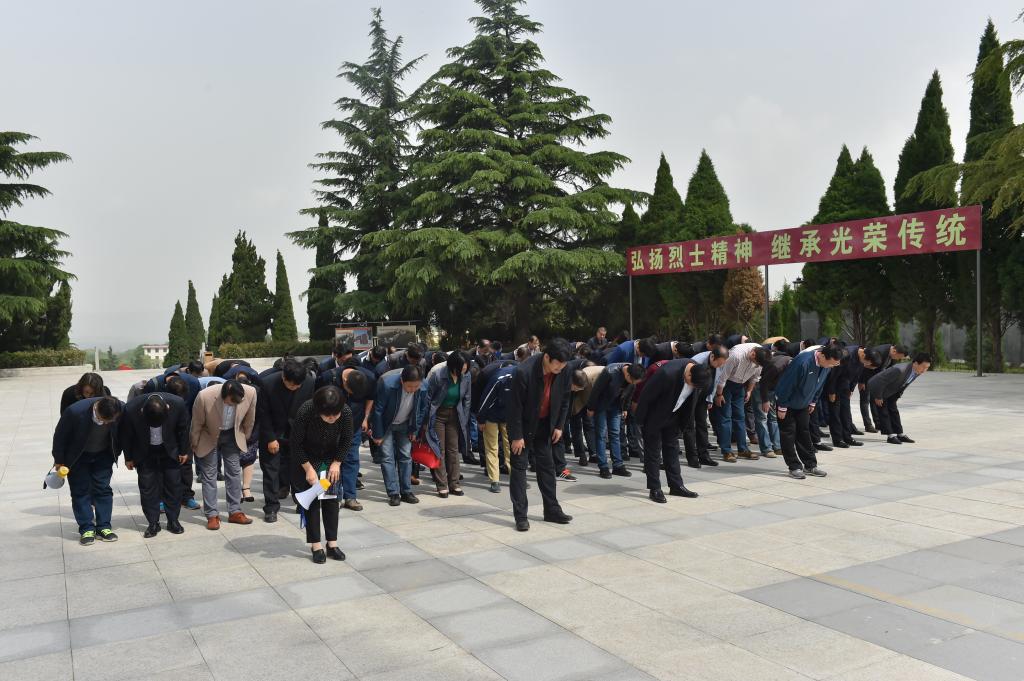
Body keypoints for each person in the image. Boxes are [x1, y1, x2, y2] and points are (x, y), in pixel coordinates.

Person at [507, 338, 575, 532]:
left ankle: (552, 510)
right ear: (546, 357)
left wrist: (559, 426)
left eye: (564, 364)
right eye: (557, 364)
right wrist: (517, 436)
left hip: (546, 425)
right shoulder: (524, 372)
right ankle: (521, 516)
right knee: (519, 470)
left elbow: (565, 399)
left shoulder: (565, 369)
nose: (561, 368)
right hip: (524, 426)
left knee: (547, 467)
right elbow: (514, 407)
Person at [291, 386, 353, 563]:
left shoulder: (345, 412)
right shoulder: (306, 410)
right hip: (307, 458)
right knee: (312, 502)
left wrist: (337, 462)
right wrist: (308, 469)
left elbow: (347, 439)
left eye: (335, 414)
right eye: (328, 415)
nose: (332, 418)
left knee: (331, 501)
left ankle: (332, 544)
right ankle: (316, 545)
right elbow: (296, 443)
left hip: (330, 460)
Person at [52, 396, 124, 545]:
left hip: (103, 455)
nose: (106, 424)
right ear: (96, 409)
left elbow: (125, 432)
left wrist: (118, 453)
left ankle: (104, 527)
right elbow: (59, 436)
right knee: (80, 491)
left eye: (109, 421)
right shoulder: (74, 412)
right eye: (103, 420)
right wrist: (59, 460)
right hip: (78, 457)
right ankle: (86, 528)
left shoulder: (120, 408)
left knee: (103, 489)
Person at [635, 359, 709, 503]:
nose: (692, 387)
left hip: (674, 415)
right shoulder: (666, 373)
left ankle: (676, 485)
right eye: (692, 384)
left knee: (672, 450)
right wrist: (640, 421)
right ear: (688, 375)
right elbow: (646, 396)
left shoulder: (700, 373)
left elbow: (691, 400)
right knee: (653, 453)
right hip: (654, 417)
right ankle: (655, 488)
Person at [120, 393, 190, 537]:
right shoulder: (131, 408)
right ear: (142, 411)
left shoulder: (177, 403)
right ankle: (153, 523)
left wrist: (184, 451)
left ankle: (173, 520)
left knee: (174, 486)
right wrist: (128, 458)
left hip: (170, 451)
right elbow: (126, 434)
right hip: (144, 452)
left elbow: (183, 429)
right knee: (147, 488)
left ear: (168, 408)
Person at [190, 380, 257, 529]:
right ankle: (212, 515)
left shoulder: (251, 392)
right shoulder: (204, 396)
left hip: (232, 435)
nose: (232, 405)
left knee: (234, 472)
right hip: (209, 435)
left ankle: (235, 511)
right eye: (230, 402)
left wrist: (245, 436)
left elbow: (250, 417)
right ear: (223, 395)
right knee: (209, 474)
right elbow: (197, 422)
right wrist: (194, 443)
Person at [774, 344, 843, 479]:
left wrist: (813, 401)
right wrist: (782, 406)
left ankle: (810, 465)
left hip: (804, 404)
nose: (831, 366)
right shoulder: (803, 362)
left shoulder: (826, 365)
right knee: (788, 435)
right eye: (831, 363)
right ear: (822, 355)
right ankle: (794, 467)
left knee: (804, 433)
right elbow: (787, 384)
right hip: (788, 404)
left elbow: (820, 384)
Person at [258, 359, 315, 522]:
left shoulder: (309, 382)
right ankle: (271, 507)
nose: (295, 388)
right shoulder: (267, 383)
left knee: (299, 469)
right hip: (274, 432)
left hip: (297, 432)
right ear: (283, 377)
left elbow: (311, 409)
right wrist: (270, 438)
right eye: (291, 385)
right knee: (271, 470)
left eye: (298, 386)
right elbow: (263, 413)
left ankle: (301, 502)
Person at [371, 365, 428, 506]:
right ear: (402, 380)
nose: (413, 389)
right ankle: (393, 493)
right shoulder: (387, 384)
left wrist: (414, 430)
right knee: (387, 458)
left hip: (406, 424)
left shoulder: (423, 386)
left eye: (416, 386)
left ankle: (406, 491)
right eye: (409, 386)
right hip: (387, 425)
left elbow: (422, 409)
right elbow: (378, 410)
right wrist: (378, 434)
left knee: (406, 457)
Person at [425, 352, 472, 498]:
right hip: (438, 414)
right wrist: (426, 420)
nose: (463, 372)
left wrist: (464, 418)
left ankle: (454, 483)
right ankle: (442, 485)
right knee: (440, 449)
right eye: (460, 369)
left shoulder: (466, 376)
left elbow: (467, 399)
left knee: (453, 449)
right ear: (452, 366)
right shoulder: (438, 375)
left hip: (456, 414)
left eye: (465, 369)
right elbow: (428, 398)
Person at [586, 362, 644, 479]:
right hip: (602, 406)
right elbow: (596, 390)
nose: (633, 384)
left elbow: (630, 392)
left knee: (615, 434)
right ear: (627, 375)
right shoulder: (610, 372)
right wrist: (591, 407)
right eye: (632, 381)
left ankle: (618, 465)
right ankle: (603, 466)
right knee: (601, 435)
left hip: (616, 406)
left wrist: (625, 408)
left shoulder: (634, 374)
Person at [713, 342, 769, 462]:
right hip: (726, 385)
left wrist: (749, 391)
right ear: (752, 353)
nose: (755, 365)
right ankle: (726, 451)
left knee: (740, 417)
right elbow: (722, 377)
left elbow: (755, 377)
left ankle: (742, 449)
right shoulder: (736, 355)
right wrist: (719, 395)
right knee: (726, 417)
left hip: (740, 386)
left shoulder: (762, 357)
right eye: (755, 362)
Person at [868, 352, 931, 445]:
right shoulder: (899, 370)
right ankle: (890, 436)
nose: (925, 370)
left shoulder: (917, 371)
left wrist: (897, 395)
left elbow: (905, 383)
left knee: (894, 411)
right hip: (878, 388)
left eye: (927, 368)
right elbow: (881, 382)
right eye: (923, 367)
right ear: (916, 363)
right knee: (884, 412)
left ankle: (900, 434)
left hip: (892, 390)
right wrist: (878, 396)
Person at [826, 345, 881, 448]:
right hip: (835, 386)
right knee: (835, 414)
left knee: (846, 413)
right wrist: (831, 391)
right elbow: (834, 374)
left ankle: (847, 437)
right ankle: (837, 440)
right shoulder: (846, 354)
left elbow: (857, 375)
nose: (867, 366)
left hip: (845, 387)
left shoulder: (863, 358)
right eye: (868, 364)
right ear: (863, 355)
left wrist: (851, 389)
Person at [476, 361, 517, 492]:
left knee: (509, 446)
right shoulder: (498, 379)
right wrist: (481, 419)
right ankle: (495, 480)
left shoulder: (523, 378)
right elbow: (485, 400)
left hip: (508, 415)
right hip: (491, 415)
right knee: (493, 447)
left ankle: (515, 476)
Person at [859, 343, 909, 432]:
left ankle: (878, 424)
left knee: (875, 400)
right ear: (894, 351)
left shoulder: (891, 355)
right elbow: (865, 366)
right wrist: (861, 381)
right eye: (898, 357)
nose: (898, 359)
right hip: (866, 378)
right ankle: (868, 425)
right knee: (865, 401)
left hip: (876, 380)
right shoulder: (880, 352)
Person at [754, 350, 793, 459]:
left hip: (774, 389)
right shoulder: (776, 367)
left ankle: (777, 446)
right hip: (762, 389)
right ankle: (766, 448)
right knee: (762, 418)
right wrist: (765, 400)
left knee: (773, 418)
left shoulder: (791, 362)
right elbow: (763, 383)